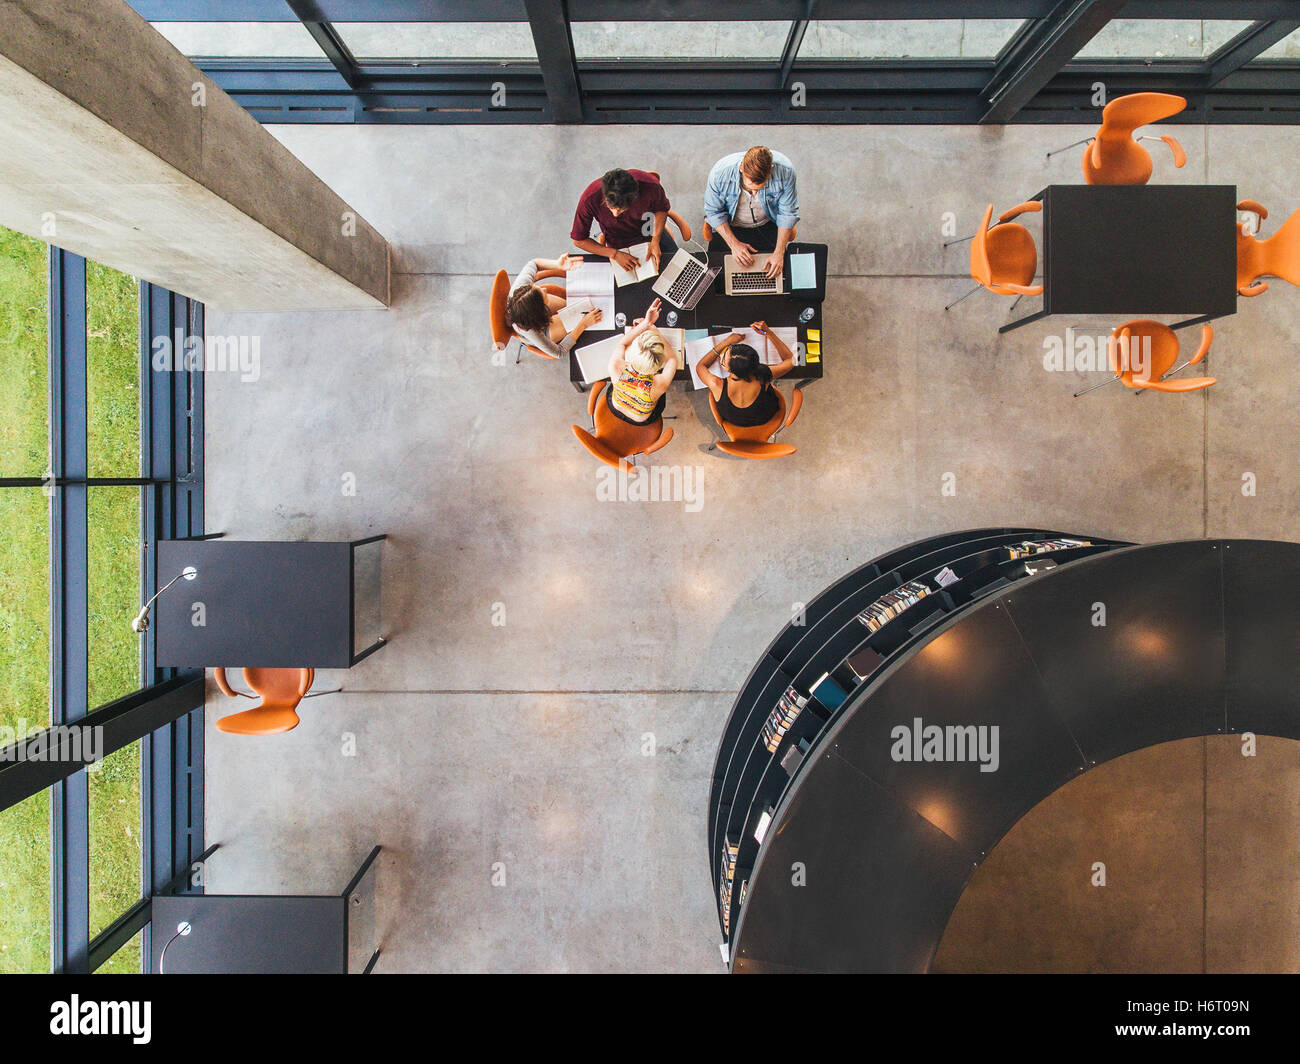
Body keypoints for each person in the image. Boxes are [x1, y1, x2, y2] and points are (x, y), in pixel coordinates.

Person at [702, 146, 799, 279]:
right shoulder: (720, 173)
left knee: (778, 275)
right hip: (730, 227)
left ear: (771, 169)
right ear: (741, 168)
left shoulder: (786, 171)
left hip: (767, 225)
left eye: (760, 188)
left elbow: (787, 214)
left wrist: (779, 253)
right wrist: (734, 245)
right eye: (750, 187)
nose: (754, 194)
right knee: (716, 279)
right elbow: (714, 212)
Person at [571, 168, 680, 277]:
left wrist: (655, 240)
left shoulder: (651, 186)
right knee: (635, 290)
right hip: (618, 243)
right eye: (611, 208)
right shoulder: (589, 198)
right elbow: (578, 240)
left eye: (621, 210)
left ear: (635, 197)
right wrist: (615, 254)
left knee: (679, 271)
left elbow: (661, 209)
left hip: (650, 231)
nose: (615, 214)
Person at [695, 320, 794, 427]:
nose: (721, 357)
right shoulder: (763, 374)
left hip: (733, 421)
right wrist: (768, 332)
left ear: (727, 369)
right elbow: (790, 360)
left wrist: (726, 342)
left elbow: (700, 366)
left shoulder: (717, 384)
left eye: (723, 358)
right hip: (764, 417)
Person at [505, 253, 602, 359]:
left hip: (531, 311)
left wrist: (557, 264)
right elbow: (559, 352)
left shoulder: (521, 287)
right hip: (541, 329)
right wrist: (583, 324)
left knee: (572, 309)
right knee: (577, 317)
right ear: (541, 311)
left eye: (536, 287)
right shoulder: (532, 331)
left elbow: (534, 263)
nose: (544, 289)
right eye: (543, 296)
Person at [605, 298, 677, 424]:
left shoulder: (615, 367)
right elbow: (672, 358)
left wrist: (645, 324)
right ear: (658, 367)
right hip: (641, 419)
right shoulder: (660, 384)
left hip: (616, 407)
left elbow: (623, 343)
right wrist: (654, 329)